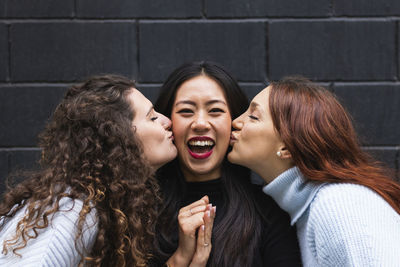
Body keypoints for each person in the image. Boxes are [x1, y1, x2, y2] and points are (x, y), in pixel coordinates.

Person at [0, 74, 207, 266]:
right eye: (152, 118)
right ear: (119, 137)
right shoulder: (71, 210)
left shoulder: (103, 202)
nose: (167, 121)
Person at [228, 76, 400, 266]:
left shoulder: (339, 204)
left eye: (253, 116)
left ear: (286, 148)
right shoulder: (307, 210)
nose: (235, 122)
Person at [153, 61, 301, 267]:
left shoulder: (269, 213)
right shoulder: (139, 212)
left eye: (215, 110)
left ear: (234, 121)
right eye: (186, 111)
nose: (201, 123)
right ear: (168, 123)